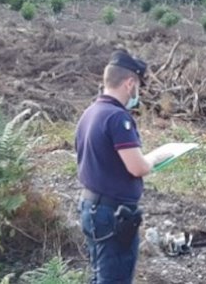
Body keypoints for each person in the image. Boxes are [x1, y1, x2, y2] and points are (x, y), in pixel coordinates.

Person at [75, 50, 171, 283]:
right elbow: (137, 168)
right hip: (112, 215)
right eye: (138, 86)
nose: (138, 93)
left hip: (91, 207)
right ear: (129, 83)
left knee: (99, 274)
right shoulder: (118, 118)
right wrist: (157, 158)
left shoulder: (91, 112)